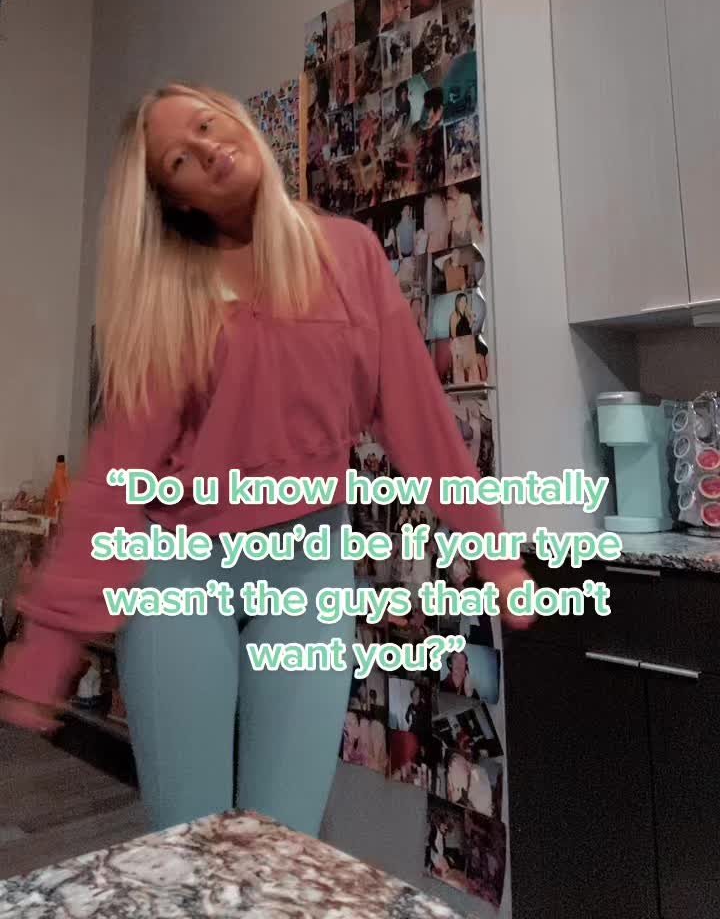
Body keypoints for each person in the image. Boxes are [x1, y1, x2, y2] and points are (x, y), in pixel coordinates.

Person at [0, 80, 532, 839]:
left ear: (237, 120)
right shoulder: (171, 299)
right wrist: (47, 646)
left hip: (309, 563)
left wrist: (494, 554)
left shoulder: (347, 255)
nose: (208, 148)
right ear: (175, 200)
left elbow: (418, 415)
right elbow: (119, 475)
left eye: (207, 123)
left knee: (280, 842)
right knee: (189, 839)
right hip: (180, 571)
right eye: (179, 159)